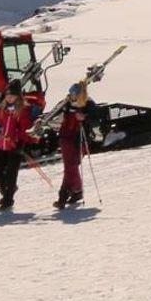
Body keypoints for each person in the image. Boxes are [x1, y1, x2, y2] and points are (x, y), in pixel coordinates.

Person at [0, 82, 38, 211]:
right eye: (7, 95)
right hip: (2, 143)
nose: (9, 98)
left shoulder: (23, 109)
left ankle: (8, 200)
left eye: (12, 96)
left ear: (18, 96)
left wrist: (21, 143)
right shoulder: (3, 107)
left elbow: (25, 128)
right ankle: (7, 190)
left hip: (15, 145)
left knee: (11, 173)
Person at [55, 80, 91, 210]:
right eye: (70, 93)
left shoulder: (87, 103)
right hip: (65, 138)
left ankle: (62, 197)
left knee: (71, 167)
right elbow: (55, 115)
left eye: (74, 94)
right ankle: (77, 190)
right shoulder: (65, 104)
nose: (71, 96)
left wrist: (85, 117)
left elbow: (96, 116)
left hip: (78, 140)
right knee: (70, 167)